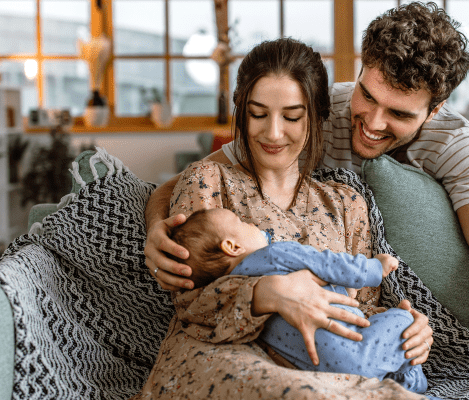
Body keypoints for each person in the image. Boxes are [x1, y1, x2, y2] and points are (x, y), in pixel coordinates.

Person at [145, 3, 469, 399]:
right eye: (367, 95)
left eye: (396, 112)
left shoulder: (356, 196)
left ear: (434, 111)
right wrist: (160, 228)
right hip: (232, 355)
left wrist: (419, 329)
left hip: (328, 364)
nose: (373, 123)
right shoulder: (230, 165)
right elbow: (180, 211)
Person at [132, 37, 432, 399]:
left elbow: (363, 309)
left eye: (292, 116)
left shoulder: (347, 203)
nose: (273, 133)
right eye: (258, 114)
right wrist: (267, 293)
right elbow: (190, 303)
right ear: (242, 112)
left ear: (317, 117)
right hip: (227, 356)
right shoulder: (208, 181)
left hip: (329, 363)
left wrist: (410, 329)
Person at [168, 207, 428, 393]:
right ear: (231, 246)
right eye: (241, 222)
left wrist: (342, 292)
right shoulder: (276, 253)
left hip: (318, 370)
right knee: (403, 318)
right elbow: (330, 263)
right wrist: (374, 268)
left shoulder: (232, 296)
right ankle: (412, 381)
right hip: (356, 348)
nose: (252, 223)